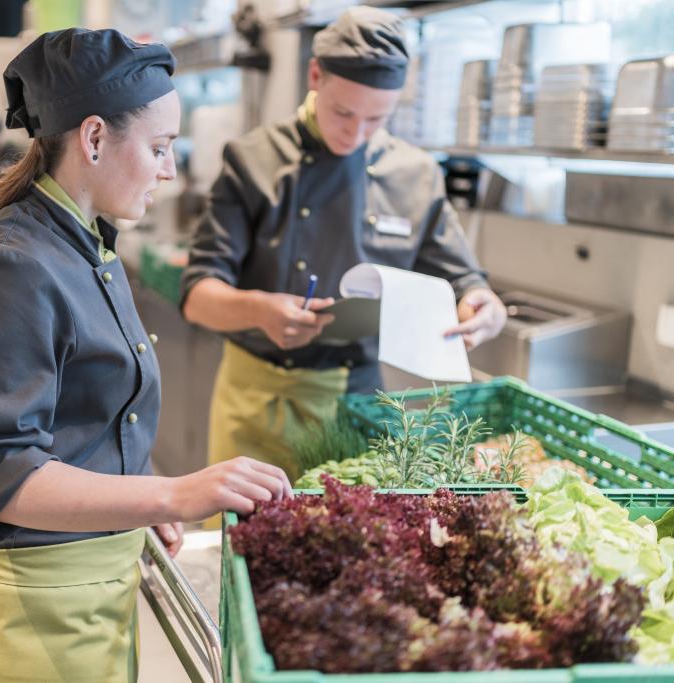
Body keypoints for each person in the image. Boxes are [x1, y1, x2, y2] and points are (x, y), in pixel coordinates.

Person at [0, 28, 291, 682]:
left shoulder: (88, 245)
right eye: (159, 147)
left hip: (87, 597)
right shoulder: (12, 268)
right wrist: (173, 492)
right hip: (25, 620)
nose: (170, 169)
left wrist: (136, 509)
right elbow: (0, 475)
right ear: (94, 138)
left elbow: (87, 422)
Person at [179, 6, 508, 481]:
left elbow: (464, 282)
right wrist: (260, 311)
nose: (355, 134)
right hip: (257, 402)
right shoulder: (253, 160)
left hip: (357, 403)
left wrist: (483, 304)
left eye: (376, 119)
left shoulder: (415, 174)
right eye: (343, 112)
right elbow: (197, 298)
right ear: (315, 75)